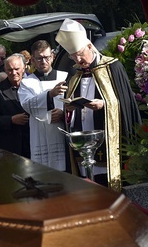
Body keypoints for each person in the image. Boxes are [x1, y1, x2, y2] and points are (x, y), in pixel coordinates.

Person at [55, 18, 141, 189]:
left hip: (107, 144)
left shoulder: (112, 67)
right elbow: (68, 112)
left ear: (89, 46)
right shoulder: (75, 76)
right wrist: (69, 109)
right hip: (82, 145)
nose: (78, 60)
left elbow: (125, 103)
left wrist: (104, 105)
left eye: (80, 53)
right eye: (73, 56)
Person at [18, 40, 68, 171]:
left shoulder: (65, 77)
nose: (43, 61)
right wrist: (49, 95)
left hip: (62, 131)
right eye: (39, 58)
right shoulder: (26, 82)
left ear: (52, 57)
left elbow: (73, 102)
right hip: (39, 133)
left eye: (46, 57)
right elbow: (27, 104)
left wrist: (63, 114)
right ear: (33, 60)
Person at [0, 54, 30, 157]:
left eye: (17, 69)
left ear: (23, 68)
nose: (14, 73)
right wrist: (11, 120)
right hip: (10, 146)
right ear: (5, 70)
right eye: (10, 70)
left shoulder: (32, 86)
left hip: (32, 143)